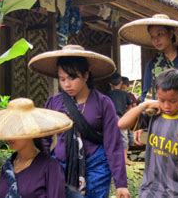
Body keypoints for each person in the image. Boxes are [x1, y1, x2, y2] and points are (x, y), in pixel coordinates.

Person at [28, 45, 130, 198]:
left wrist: (121, 183)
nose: (66, 84)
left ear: (86, 76)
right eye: (62, 79)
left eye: (72, 77)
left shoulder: (103, 103)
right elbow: (44, 139)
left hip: (96, 167)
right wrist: (39, 169)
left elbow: (113, 143)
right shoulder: (54, 103)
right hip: (61, 165)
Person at [118, 69, 178, 197]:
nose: (167, 106)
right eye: (162, 100)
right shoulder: (154, 114)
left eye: (173, 101)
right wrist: (144, 105)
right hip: (150, 190)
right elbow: (121, 124)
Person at [0, 98, 72, 198]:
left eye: (16, 130)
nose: (10, 135)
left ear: (30, 131)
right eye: (9, 130)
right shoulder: (7, 167)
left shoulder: (50, 166)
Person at [118, 14, 178, 101]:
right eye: (152, 36)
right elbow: (145, 95)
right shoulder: (152, 65)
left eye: (160, 34)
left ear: (170, 34)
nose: (156, 40)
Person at [106, 72, 132, 165]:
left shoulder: (107, 94)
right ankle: (124, 158)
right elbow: (130, 107)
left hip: (110, 118)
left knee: (111, 138)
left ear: (110, 84)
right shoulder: (125, 94)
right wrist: (127, 114)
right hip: (121, 118)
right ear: (121, 83)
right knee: (124, 138)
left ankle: (112, 157)